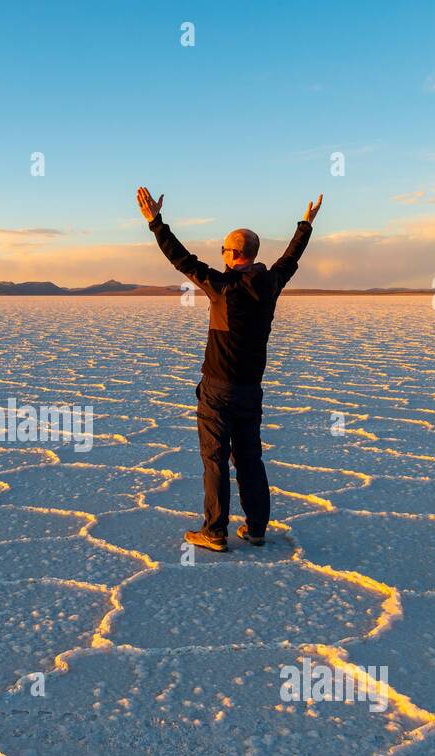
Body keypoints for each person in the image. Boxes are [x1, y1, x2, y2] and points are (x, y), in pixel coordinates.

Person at [136, 186, 322, 552]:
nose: (220, 255)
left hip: (219, 390)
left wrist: (155, 222)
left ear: (234, 254)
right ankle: (255, 529)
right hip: (251, 389)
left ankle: (215, 531)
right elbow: (290, 259)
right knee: (250, 457)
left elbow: (183, 260)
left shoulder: (223, 287)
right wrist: (306, 225)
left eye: (223, 249)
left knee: (215, 457)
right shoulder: (271, 283)